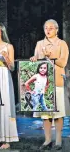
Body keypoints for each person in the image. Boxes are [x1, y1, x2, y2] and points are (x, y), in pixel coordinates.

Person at [30, 19, 69, 150]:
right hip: (42, 85)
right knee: (45, 114)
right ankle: (47, 140)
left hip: (56, 81)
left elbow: (63, 63)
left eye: (51, 28)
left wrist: (50, 56)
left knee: (57, 114)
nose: (48, 30)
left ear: (57, 30)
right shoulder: (39, 44)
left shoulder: (62, 44)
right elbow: (36, 62)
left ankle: (58, 141)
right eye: (46, 27)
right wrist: (34, 59)